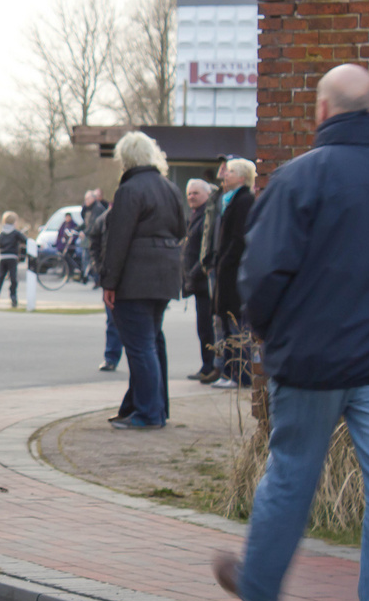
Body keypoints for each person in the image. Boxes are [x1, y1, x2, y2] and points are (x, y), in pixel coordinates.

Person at [213, 64, 369, 601]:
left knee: (292, 471)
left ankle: (261, 586)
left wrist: (271, 334)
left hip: (311, 359)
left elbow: (263, 273)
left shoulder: (296, 180)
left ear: (322, 111)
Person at [100, 131, 187, 430]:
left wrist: (109, 282)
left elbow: (118, 239)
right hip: (165, 276)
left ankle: (148, 413)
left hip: (135, 278)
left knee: (140, 347)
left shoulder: (129, 190)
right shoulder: (170, 188)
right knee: (152, 342)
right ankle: (152, 407)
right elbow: (181, 229)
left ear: (126, 158)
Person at [209, 157, 257, 388]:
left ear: (242, 176)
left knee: (236, 325)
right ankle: (229, 371)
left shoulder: (244, 201)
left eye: (230, 172)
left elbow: (238, 238)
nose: (225, 175)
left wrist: (225, 262)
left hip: (234, 272)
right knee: (229, 325)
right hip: (228, 270)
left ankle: (239, 374)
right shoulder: (231, 200)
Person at [182, 177, 220, 382]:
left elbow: (205, 250)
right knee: (202, 327)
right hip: (197, 282)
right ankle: (207, 365)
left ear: (206, 194)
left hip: (205, 281)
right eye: (189, 193)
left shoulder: (208, 215)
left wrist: (195, 271)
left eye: (196, 193)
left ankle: (210, 366)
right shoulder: (194, 215)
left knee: (207, 327)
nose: (191, 196)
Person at [88, 207, 123, 372]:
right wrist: (98, 268)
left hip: (133, 277)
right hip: (110, 276)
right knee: (112, 321)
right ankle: (111, 357)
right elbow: (94, 243)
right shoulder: (104, 219)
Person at [0, 212, 27, 308]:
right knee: (13, 279)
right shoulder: (15, 233)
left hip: (3, 257)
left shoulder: (1, 233)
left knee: (0, 278)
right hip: (12, 258)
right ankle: (13, 297)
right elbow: (25, 240)